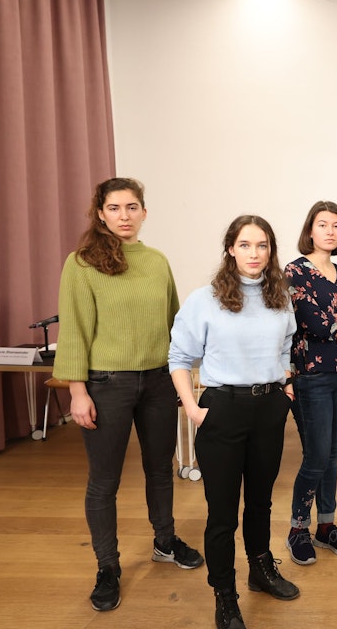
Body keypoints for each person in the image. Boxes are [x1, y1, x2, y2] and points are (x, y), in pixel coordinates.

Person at [55, 177, 203, 612]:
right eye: (115, 208)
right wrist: (78, 392)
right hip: (107, 384)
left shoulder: (156, 261)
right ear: (101, 214)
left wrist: (185, 379)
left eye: (132, 207)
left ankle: (165, 542)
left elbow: (175, 325)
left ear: (144, 212)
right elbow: (74, 331)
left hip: (158, 382)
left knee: (161, 468)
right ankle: (108, 566)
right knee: (105, 481)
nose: (124, 216)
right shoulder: (81, 264)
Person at [169, 215, 300, 629]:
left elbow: (286, 345)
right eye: (245, 245)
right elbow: (179, 358)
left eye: (262, 245)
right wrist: (192, 409)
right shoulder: (205, 300)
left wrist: (285, 385)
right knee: (222, 513)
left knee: (261, 501)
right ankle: (225, 595)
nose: (254, 253)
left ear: (270, 250)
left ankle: (260, 570)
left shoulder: (280, 296)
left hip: (268, 408)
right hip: (222, 409)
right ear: (230, 248)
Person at [283, 201, 337, 565]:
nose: (330, 231)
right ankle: (297, 529)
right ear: (310, 230)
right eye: (323, 224)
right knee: (317, 456)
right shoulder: (294, 272)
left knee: (332, 455)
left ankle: (326, 525)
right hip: (312, 377)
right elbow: (314, 325)